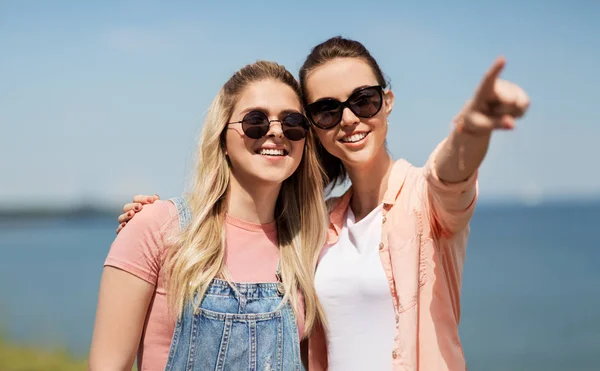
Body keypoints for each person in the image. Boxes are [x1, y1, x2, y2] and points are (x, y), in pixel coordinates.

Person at [116, 37, 530, 371]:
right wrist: (155, 222)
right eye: (327, 110)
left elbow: (452, 172)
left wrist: (473, 127)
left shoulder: (425, 201)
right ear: (314, 127)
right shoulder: (314, 225)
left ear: (387, 101)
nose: (349, 118)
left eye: (363, 100)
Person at [89, 60, 329, 371]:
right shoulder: (156, 227)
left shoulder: (306, 245)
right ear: (223, 139)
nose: (275, 132)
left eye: (292, 122)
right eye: (255, 120)